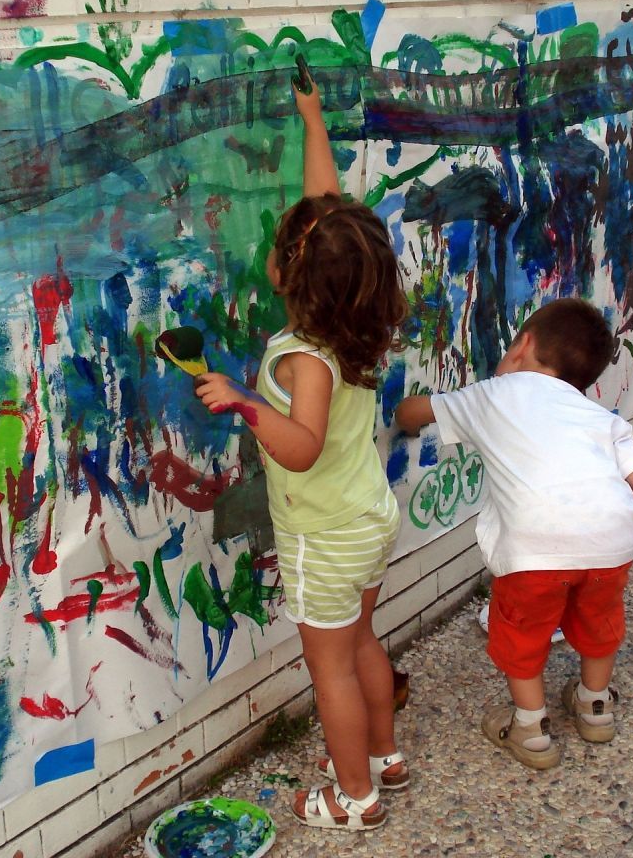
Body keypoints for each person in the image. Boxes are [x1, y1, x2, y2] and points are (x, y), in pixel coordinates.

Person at [194, 66, 409, 831]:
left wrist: (245, 403)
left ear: (289, 273)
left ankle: (354, 798)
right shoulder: (354, 324)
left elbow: (302, 447)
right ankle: (383, 755)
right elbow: (327, 212)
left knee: (330, 670)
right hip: (369, 516)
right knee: (361, 644)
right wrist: (314, 122)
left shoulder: (300, 359)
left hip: (324, 530)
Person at [393, 298, 633, 770]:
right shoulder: (600, 419)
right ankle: (595, 706)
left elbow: (415, 412)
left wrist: (402, 415)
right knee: (598, 624)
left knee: (523, 633)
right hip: (610, 546)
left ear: (522, 345)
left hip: (535, 550)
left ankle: (530, 729)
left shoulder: (494, 393)